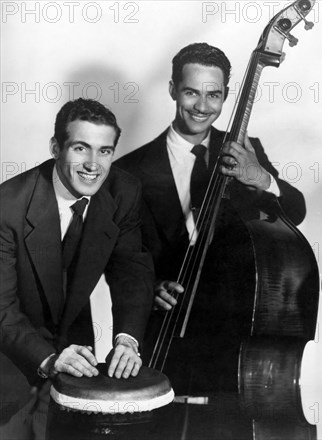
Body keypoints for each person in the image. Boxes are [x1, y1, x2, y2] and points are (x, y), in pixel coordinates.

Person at [0, 98, 154, 439]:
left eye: (105, 151)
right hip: (7, 358)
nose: (93, 165)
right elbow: (1, 310)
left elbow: (132, 271)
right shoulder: (6, 206)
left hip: (75, 354)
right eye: (81, 148)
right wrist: (48, 358)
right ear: (56, 147)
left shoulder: (123, 191)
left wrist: (127, 340)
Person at [115, 42, 306, 311]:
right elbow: (118, 256)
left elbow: (296, 213)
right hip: (166, 324)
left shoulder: (245, 152)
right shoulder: (128, 170)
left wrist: (262, 178)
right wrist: (150, 287)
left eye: (213, 95)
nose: (202, 107)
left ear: (226, 95)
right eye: (191, 92)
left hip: (235, 314)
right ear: (173, 90)